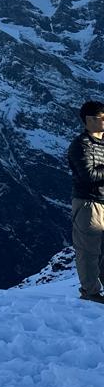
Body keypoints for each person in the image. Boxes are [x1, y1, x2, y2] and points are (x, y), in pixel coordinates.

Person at [68, 99, 104, 304]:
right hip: (89, 204)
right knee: (88, 252)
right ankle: (90, 293)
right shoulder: (80, 145)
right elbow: (88, 175)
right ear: (89, 120)